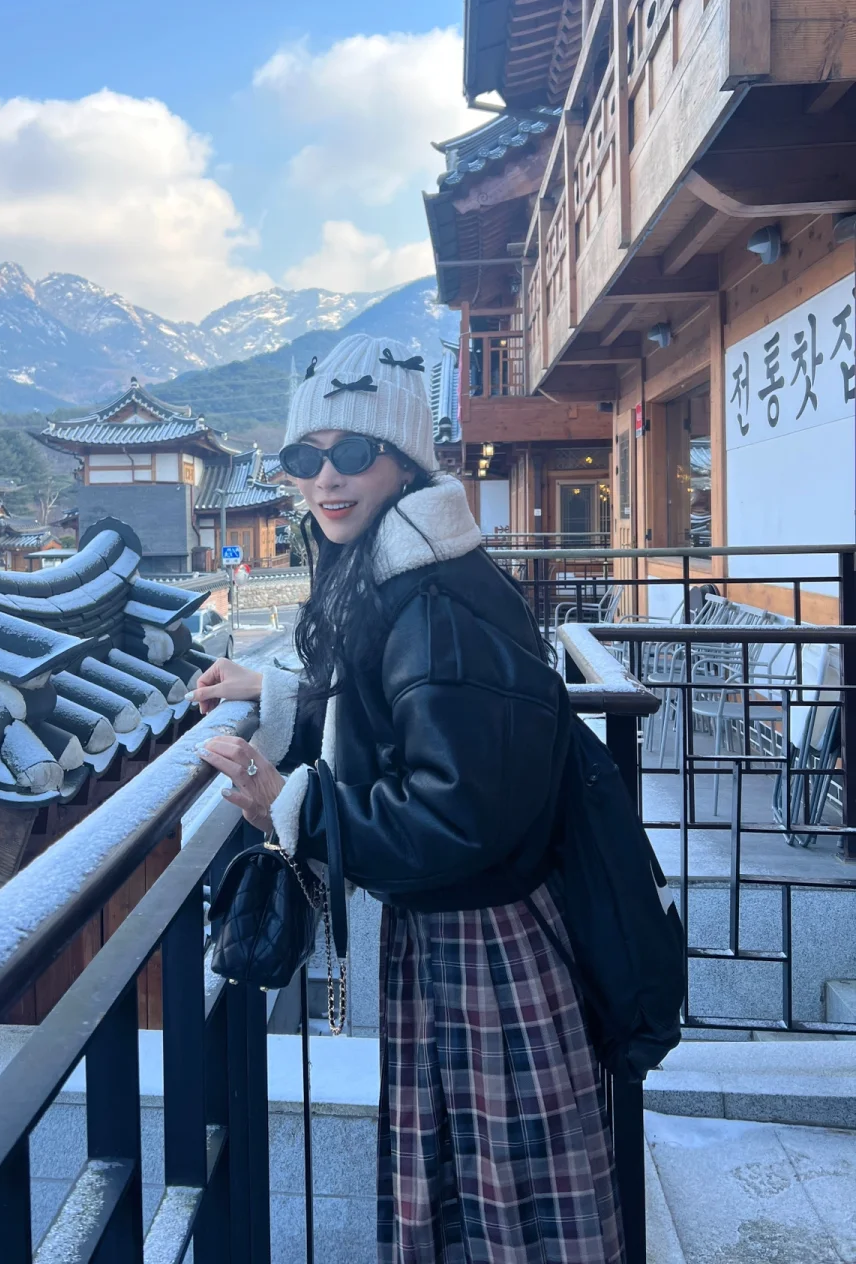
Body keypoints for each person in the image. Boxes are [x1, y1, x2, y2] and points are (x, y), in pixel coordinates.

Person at [195, 334, 624, 1264]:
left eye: (352, 453)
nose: (324, 479)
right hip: (465, 931)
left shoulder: (434, 602)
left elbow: (457, 813)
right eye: (304, 459)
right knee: (490, 1188)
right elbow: (396, 711)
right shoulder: (406, 571)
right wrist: (271, 694)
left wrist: (291, 802)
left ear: (403, 461)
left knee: (500, 1200)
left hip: (484, 941)